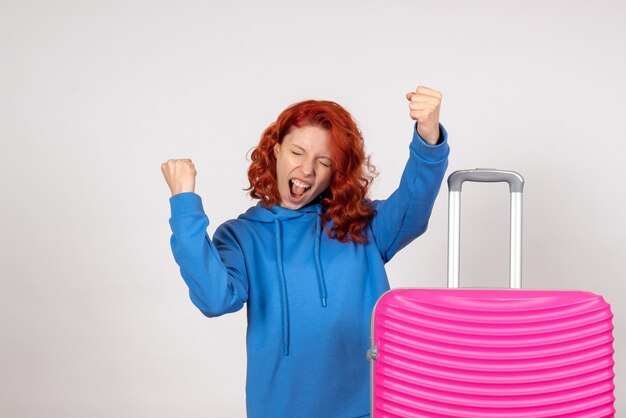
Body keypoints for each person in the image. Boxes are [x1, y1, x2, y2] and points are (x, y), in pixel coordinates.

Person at [161, 86, 450, 418]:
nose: (307, 170)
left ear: (336, 172)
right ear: (275, 150)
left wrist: (428, 139)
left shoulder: (361, 225)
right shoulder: (242, 237)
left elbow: (413, 207)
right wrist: (184, 203)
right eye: (298, 152)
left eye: (323, 161)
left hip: (371, 408)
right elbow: (214, 298)